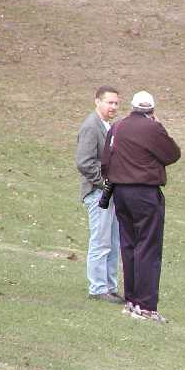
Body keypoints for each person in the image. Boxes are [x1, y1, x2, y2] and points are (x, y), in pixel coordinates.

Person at [101, 90, 181, 323]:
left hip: (121, 192)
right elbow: (172, 154)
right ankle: (146, 305)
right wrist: (161, 128)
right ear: (152, 111)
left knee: (129, 244)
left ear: (133, 108)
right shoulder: (153, 128)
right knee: (148, 246)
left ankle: (131, 301)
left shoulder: (117, 127)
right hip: (145, 193)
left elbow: (106, 160)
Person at [75, 86, 123, 304]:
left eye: (115, 103)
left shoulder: (108, 126)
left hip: (110, 192)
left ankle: (110, 287)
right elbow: (84, 162)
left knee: (113, 241)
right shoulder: (91, 126)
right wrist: (104, 183)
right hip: (97, 193)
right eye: (109, 102)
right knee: (101, 241)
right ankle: (98, 288)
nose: (113, 107)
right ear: (97, 102)